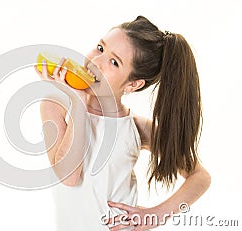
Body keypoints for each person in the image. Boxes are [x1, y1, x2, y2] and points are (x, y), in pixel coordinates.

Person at [34, 16, 211, 230]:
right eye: (100, 48)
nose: (96, 62)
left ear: (133, 84)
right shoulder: (57, 106)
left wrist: (156, 214)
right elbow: (69, 177)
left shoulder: (137, 128)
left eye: (114, 62)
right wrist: (78, 102)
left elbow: (200, 177)